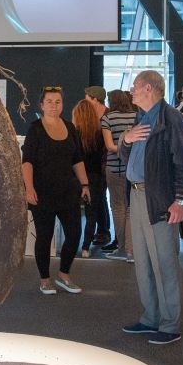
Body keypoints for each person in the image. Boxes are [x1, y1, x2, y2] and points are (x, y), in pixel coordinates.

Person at [118, 70, 183, 345]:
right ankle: (151, 317)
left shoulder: (170, 118)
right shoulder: (142, 118)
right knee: (144, 262)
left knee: (164, 262)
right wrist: (126, 139)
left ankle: (169, 324)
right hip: (138, 196)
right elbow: (127, 154)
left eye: (135, 87)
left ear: (149, 88)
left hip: (159, 197)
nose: (132, 91)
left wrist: (181, 198)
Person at [22, 86, 91, 295]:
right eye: (49, 102)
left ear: (62, 104)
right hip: (41, 193)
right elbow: (27, 162)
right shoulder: (35, 129)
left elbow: (77, 160)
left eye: (58, 101)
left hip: (68, 191)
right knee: (44, 236)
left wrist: (85, 185)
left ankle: (64, 275)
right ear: (42, 105)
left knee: (74, 234)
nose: (54, 105)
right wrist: (29, 188)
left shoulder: (70, 128)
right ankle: (45, 279)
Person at [101, 89, 137, 262]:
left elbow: (109, 146)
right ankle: (132, 250)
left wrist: (121, 149)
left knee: (117, 207)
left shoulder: (107, 118)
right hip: (133, 168)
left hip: (114, 167)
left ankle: (122, 248)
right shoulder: (135, 117)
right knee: (131, 209)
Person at [71, 100, 106, 259]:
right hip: (96, 176)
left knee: (74, 213)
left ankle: (72, 244)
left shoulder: (73, 133)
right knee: (92, 213)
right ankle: (86, 247)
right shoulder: (99, 133)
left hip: (77, 176)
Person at [83, 86, 110, 244]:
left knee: (100, 197)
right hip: (95, 164)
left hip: (105, 163)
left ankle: (104, 231)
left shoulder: (108, 116)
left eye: (87, 97)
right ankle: (102, 230)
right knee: (99, 198)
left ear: (95, 99)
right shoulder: (91, 116)